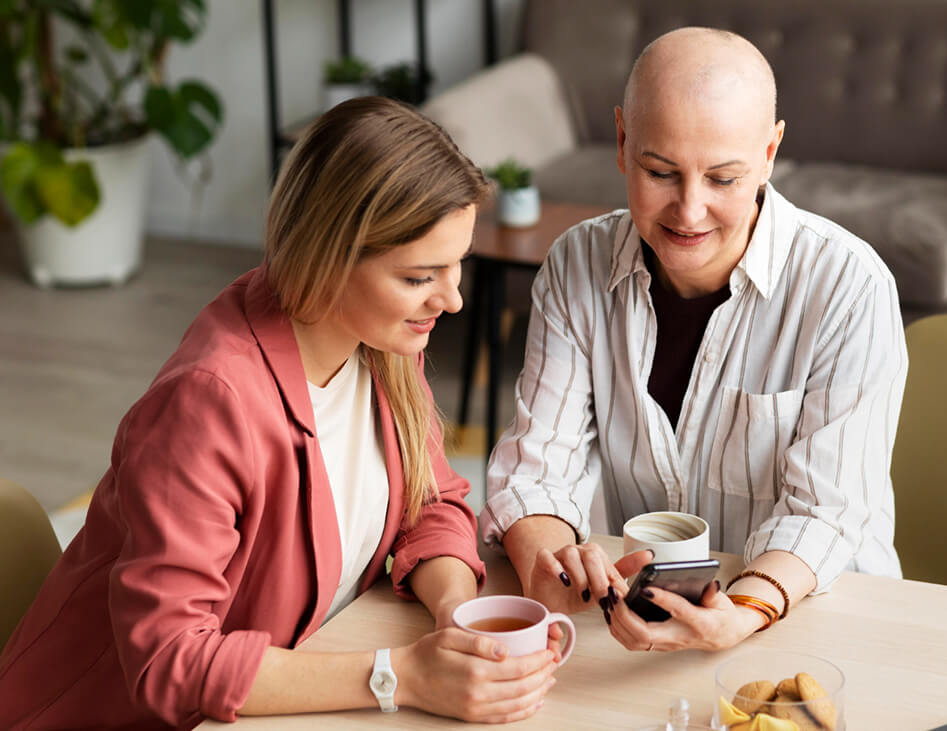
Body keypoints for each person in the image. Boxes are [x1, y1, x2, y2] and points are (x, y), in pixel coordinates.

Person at [0, 97, 559, 728]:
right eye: (418, 276)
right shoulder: (210, 403)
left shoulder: (376, 343)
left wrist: (456, 615)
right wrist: (401, 674)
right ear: (329, 256)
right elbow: (168, 660)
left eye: (457, 264)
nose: (453, 299)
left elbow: (431, 502)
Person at [481, 27, 909, 653]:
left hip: (812, 614)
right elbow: (537, 468)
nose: (688, 210)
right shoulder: (577, 265)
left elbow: (826, 513)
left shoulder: (848, 285)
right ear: (623, 141)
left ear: (770, 152)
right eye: (661, 171)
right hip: (642, 624)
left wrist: (744, 608)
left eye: (723, 179)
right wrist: (550, 562)